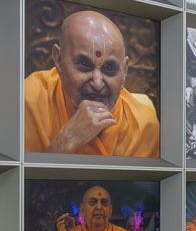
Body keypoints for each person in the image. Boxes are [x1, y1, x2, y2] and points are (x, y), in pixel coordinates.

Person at [24, 10, 160, 157]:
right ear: (58, 60)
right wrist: (67, 139)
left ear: (125, 70)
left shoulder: (144, 121)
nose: (97, 83)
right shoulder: (28, 100)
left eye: (109, 68)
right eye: (84, 64)